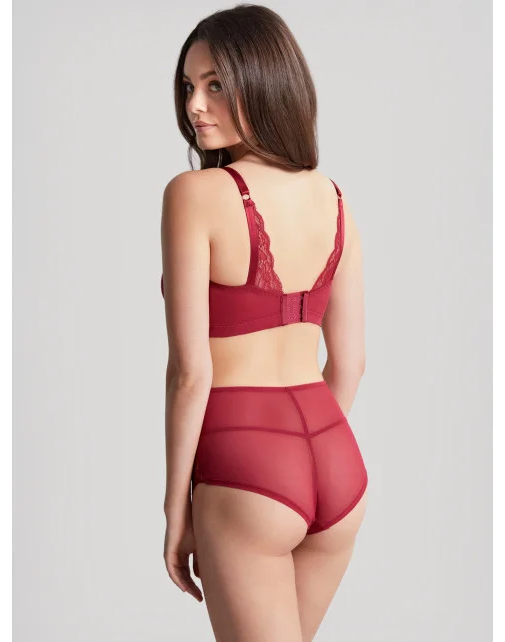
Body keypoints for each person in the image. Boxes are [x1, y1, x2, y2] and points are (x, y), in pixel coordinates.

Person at [161, 5, 368, 640]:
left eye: (216, 84)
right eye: (189, 85)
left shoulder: (194, 194)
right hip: (336, 460)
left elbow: (191, 373)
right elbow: (350, 363)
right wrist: (309, 452)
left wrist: (176, 511)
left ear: (264, 81)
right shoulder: (334, 198)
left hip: (245, 463)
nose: (196, 105)